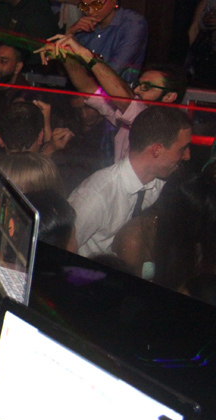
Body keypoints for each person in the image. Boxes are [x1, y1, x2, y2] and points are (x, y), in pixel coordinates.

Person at [38, 34, 188, 164]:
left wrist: (87, 56)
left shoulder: (168, 126)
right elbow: (88, 88)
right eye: (138, 85)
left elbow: (127, 101)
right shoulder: (128, 114)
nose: (137, 90)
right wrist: (66, 55)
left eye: (146, 87)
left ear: (169, 97)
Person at [68, 106, 192, 258]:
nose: (187, 156)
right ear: (157, 150)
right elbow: (62, 250)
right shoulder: (95, 197)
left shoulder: (164, 184)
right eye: (182, 149)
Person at [65, 0, 147, 83]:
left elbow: (113, 71)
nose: (90, 11)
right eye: (84, 6)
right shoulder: (84, 25)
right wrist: (70, 33)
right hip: (80, 88)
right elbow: (66, 69)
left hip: (114, 89)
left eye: (96, 5)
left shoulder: (133, 25)